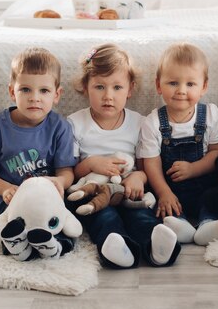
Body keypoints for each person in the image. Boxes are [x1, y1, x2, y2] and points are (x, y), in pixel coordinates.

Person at [66, 43, 181, 269]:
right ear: (85, 87)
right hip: (93, 193)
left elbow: (144, 167)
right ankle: (117, 250)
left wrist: (138, 178)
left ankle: (156, 248)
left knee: (142, 217)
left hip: (128, 192)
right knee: (105, 218)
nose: (108, 96)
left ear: (130, 89)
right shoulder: (75, 123)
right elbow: (70, 173)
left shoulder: (139, 122)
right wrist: (91, 163)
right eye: (99, 87)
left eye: (117, 87)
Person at [0, 47, 77, 258]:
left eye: (44, 91)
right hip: (13, 201)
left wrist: (60, 182)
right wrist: (4, 188)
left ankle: (53, 246)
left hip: (47, 199)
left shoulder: (60, 127)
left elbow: (66, 171)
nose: (34, 98)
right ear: (12, 92)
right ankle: (17, 246)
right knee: (10, 228)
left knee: (61, 225)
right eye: (26, 90)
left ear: (57, 95)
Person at [139, 43, 218, 246]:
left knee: (214, 197)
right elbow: (151, 163)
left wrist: (194, 169)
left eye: (190, 84)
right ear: (158, 85)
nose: (181, 91)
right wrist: (164, 192)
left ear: (204, 87)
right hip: (169, 188)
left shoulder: (209, 114)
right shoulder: (153, 122)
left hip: (203, 184)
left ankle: (208, 225)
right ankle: (178, 225)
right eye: (173, 83)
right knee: (155, 203)